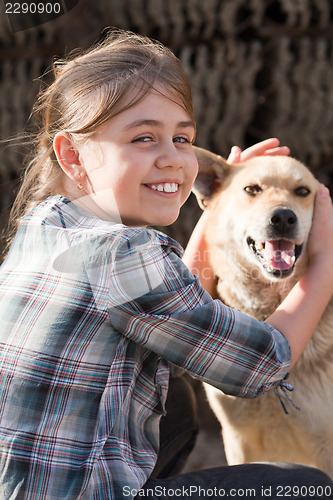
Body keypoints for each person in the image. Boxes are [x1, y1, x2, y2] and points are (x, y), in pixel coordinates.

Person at [0, 29, 332, 500]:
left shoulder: (44, 224)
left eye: (182, 138)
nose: (173, 159)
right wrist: (323, 263)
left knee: (174, 403)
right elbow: (263, 364)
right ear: (73, 155)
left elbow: (176, 304)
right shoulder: (127, 253)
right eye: (143, 138)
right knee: (303, 487)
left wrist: (222, 203)